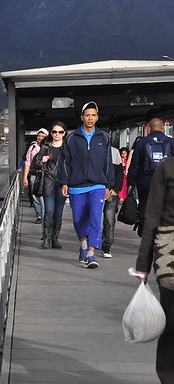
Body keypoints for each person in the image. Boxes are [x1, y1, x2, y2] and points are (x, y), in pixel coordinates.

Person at [134, 155, 174, 384]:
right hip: (170, 251)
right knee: (172, 320)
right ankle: (171, 379)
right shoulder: (167, 167)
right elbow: (153, 216)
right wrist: (143, 263)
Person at [57, 101, 114, 269]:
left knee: (96, 217)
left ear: (97, 117)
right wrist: (64, 182)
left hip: (97, 185)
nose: (90, 118)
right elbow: (64, 162)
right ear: (82, 117)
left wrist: (108, 185)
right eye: (87, 115)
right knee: (78, 219)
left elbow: (108, 163)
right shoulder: (71, 138)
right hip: (76, 185)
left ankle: (91, 253)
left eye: (93, 115)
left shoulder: (104, 137)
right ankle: (83, 244)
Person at [127, 118, 174, 236]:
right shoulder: (171, 142)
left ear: (149, 127)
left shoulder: (142, 143)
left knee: (145, 207)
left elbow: (135, 164)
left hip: (146, 183)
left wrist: (131, 182)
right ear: (163, 127)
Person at [36, 122, 66, 249]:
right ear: (51, 133)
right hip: (48, 182)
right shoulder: (45, 147)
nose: (57, 134)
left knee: (58, 212)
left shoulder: (67, 148)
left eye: (60, 132)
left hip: (63, 183)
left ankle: (55, 239)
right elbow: (35, 162)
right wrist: (41, 161)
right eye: (54, 132)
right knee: (49, 210)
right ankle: (47, 238)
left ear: (64, 133)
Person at [100, 146, 124, 258]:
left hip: (111, 191)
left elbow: (119, 173)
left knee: (109, 219)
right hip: (95, 190)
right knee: (93, 218)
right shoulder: (91, 148)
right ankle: (92, 243)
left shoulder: (114, 152)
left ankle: (106, 246)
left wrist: (116, 189)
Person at [22, 128, 48, 224]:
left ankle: (46, 215)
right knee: (35, 195)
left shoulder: (49, 147)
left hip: (46, 175)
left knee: (44, 196)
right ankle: (39, 215)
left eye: (43, 136)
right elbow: (27, 162)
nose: (40, 138)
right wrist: (25, 177)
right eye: (39, 136)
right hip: (34, 174)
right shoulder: (32, 147)